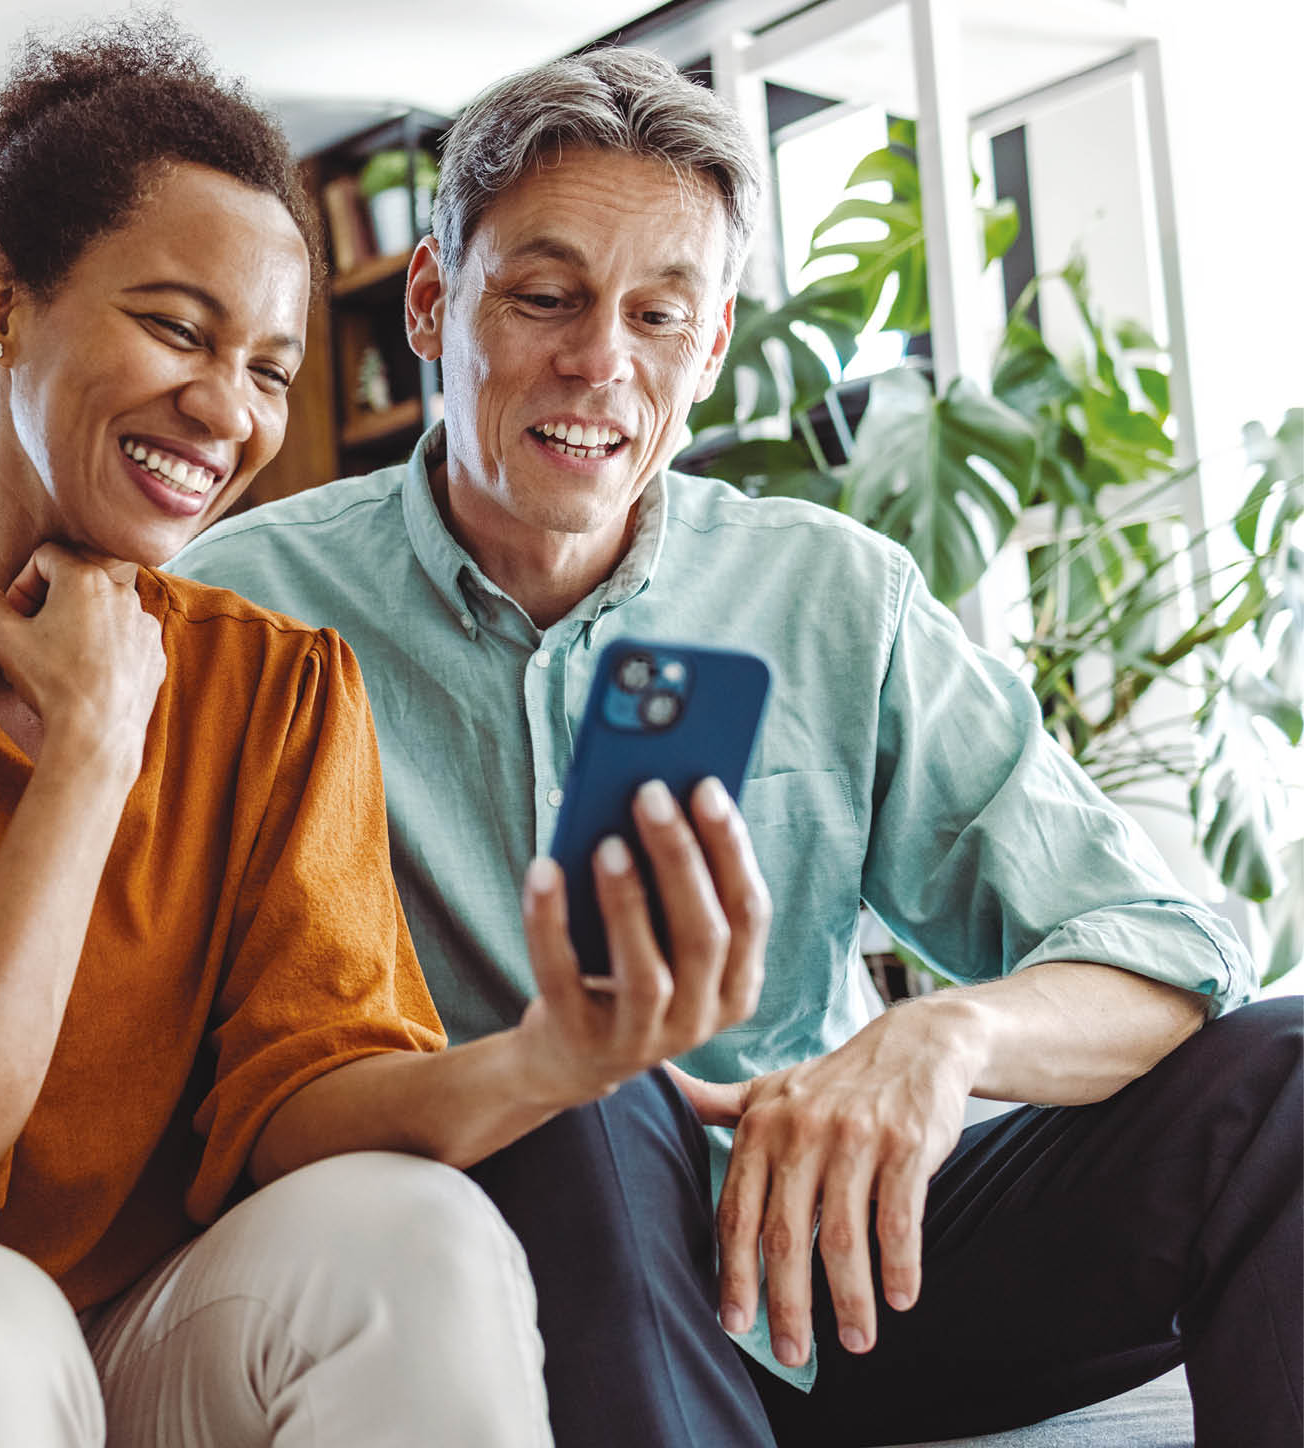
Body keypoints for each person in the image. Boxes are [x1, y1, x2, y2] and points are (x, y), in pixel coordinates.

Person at [0, 23, 772, 1448]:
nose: (226, 411)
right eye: (174, 327)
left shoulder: (279, 688)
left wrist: (555, 1060)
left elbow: (300, 1105)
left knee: (417, 1236)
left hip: (134, 1339)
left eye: (271, 369)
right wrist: (93, 746)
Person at [166, 47, 1303, 1448]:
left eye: (660, 314)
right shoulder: (240, 607)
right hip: (514, 1277)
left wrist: (944, 1034)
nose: (601, 362)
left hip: (842, 1267)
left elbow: (1162, 947)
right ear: (430, 299)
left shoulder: (836, 596)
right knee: (581, 1101)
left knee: (1289, 1076)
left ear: (709, 351)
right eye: (544, 297)